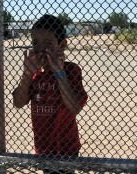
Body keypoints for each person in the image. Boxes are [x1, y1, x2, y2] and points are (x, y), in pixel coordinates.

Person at [12, 14, 88, 174]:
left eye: (48, 44)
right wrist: (26, 74)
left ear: (62, 45)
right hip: (43, 148)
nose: (41, 49)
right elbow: (18, 103)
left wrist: (59, 71)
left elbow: (74, 107)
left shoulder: (71, 70)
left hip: (67, 147)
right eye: (35, 43)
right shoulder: (35, 74)